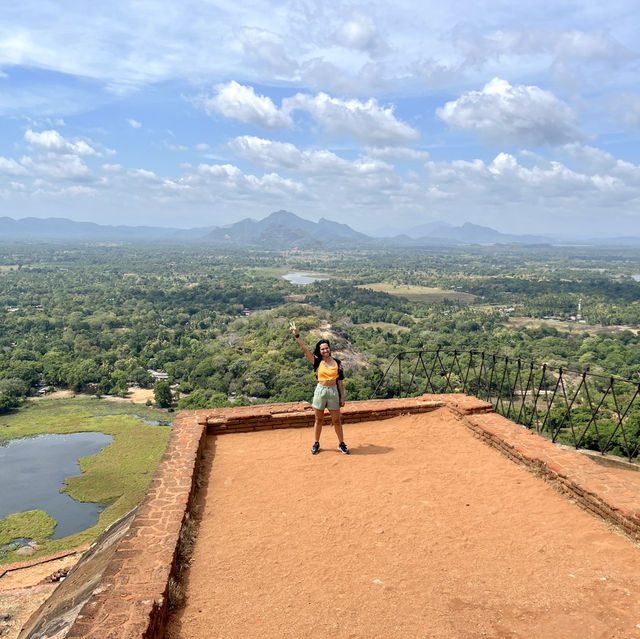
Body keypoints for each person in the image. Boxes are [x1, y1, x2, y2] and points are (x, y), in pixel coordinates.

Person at [289, 320, 349, 455]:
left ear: (329, 349)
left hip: (333, 391)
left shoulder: (337, 363)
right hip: (321, 391)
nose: (325, 350)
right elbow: (305, 349)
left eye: (326, 348)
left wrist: (342, 397)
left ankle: (341, 443)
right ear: (320, 351)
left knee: (336, 420)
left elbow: (340, 381)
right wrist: (297, 335)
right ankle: (316, 443)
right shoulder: (317, 361)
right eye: (322, 349)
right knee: (319, 419)